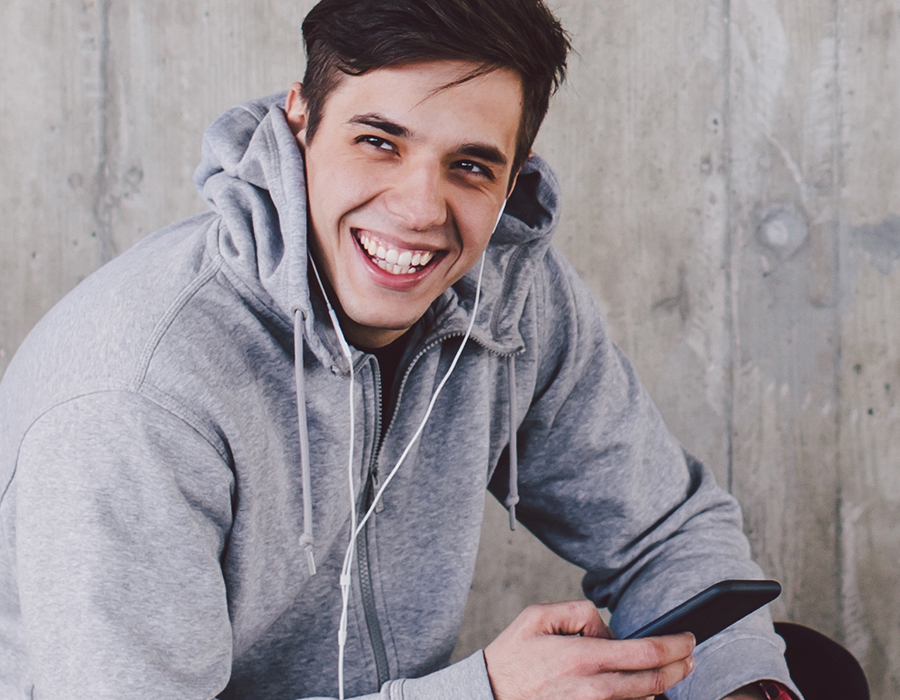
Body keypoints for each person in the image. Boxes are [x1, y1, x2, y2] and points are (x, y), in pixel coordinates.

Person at [0, 1, 800, 699]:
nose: (420, 209)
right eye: (379, 141)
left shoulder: (512, 297)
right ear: (299, 121)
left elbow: (665, 532)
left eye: (470, 166)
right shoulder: (137, 397)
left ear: (513, 177)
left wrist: (742, 687)